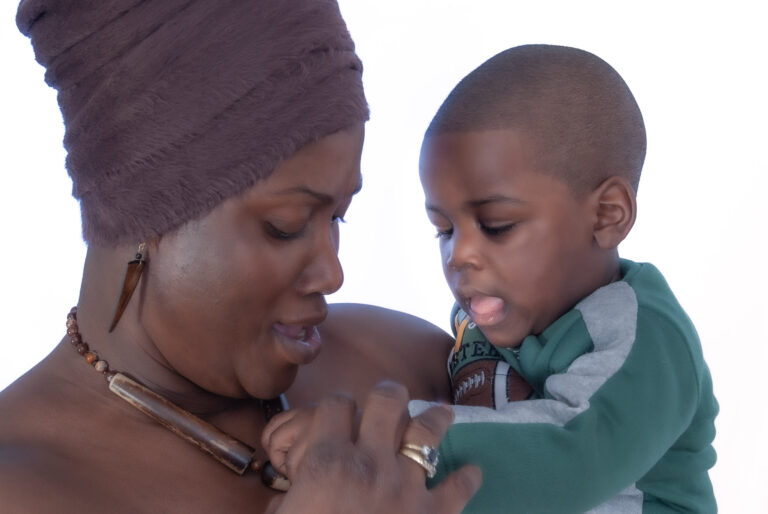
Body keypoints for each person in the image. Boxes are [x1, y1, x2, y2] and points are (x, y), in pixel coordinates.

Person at [0, 0, 480, 512]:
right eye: (285, 226)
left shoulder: (414, 363)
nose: (333, 274)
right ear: (143, 214)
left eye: (338, 217)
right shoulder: (23, 488)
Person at [266, 44, 719, 513]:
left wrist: (378, 445)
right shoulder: (478, 319)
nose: (459, 255)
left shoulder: (646, 337)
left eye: (497, 226)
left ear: (607, 215)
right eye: (444, 230)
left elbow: (567, 456)